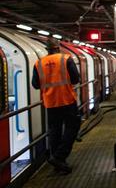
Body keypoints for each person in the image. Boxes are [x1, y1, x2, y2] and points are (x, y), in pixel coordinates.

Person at [32, 38, 81, 174]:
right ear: (58, 48)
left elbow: (35, 84)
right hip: (67, 100)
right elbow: (76, 79)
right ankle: (59, 157)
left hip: (50, 103)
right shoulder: (66, 59)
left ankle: (58, 165)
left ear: (47, 50)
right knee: (73, 126)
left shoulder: (39, 63)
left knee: (55, 131)